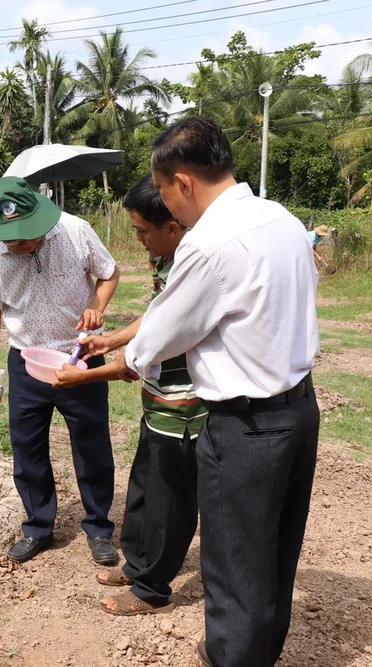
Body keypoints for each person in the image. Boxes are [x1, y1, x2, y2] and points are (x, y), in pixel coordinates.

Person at [109, 117, 320, 667]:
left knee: (234, 565)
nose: (166, 208)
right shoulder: (283, 219)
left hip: (245, 427)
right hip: (299, 410)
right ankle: (256, 650)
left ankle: (233, 655)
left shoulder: (207, 245)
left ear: (183, 182)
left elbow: (157, 337)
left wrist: (116, 355)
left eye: (161, 192)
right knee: (274, 549)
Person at [53, 175, 206, 618]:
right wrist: (110, 340)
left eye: (142, 231)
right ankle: (138, 562)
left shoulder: (192, 265)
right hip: (158, 401)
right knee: (143, 488)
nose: (137, 239)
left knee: (170, 500)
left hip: (185, 407)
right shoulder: (166, 259)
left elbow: (152, 352)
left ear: (172, 226)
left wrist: (85, 375)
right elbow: (157, 314)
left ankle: (152, 586)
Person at [0, 175, 122, 566]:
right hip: (26, 363)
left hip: (81, 357)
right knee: (28, 448)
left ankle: (99, 528)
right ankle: (38, 526)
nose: (21, 244)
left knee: (91, 446)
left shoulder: (74, 231)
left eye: (27, 235)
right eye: (13, 239)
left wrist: (97, 306)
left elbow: (109, 273)